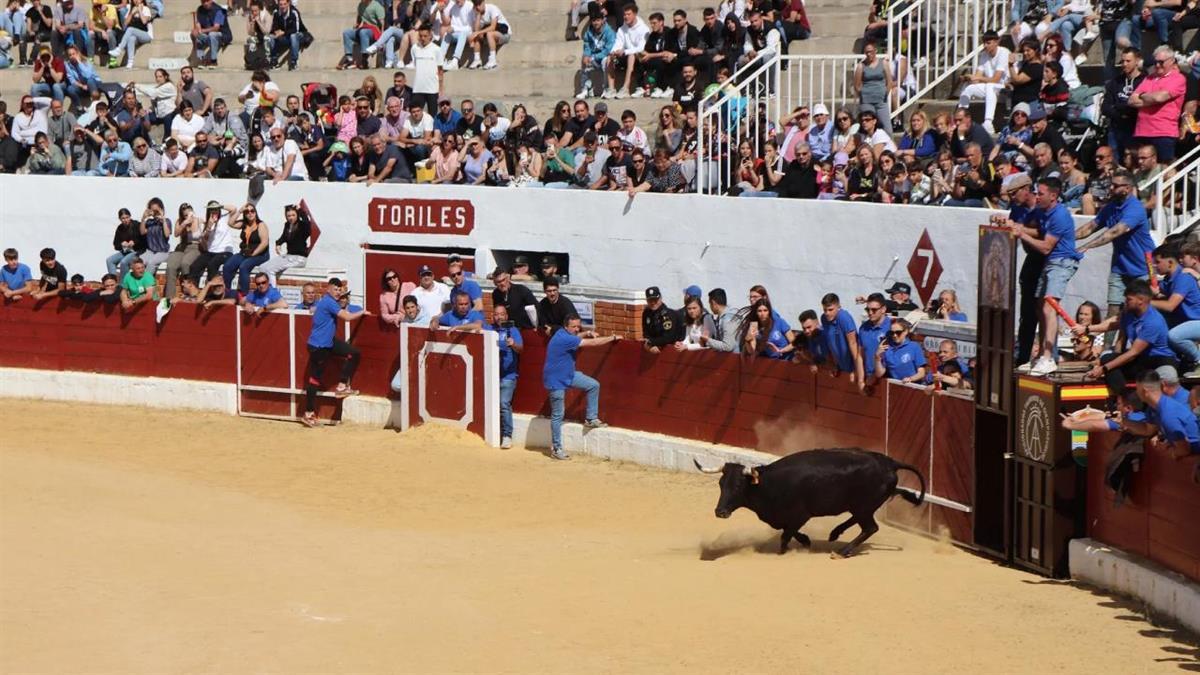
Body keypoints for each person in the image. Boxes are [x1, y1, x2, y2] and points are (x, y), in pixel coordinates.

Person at [1011, 177, 1081, 376]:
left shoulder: (1060, 216)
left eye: (1040, 193)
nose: (1037, 196)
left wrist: (1020, 234)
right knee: (1040, 308)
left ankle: (1049, 357)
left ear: (1053, 195)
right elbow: (1036, 230)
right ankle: (1042, 355)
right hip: (1050, 264)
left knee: (1049, 308)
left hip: (1062, 262)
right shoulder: (1042, 211)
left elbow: (1045, 246)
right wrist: (1012, 225)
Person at [1075, 168, 1152, 322]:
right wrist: (1067, 238)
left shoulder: (1135, 208)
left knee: (1139, 313)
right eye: (1111, 184)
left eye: (1116, 186)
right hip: (1120, 267)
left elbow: (1115, 232)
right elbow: (1091, 226)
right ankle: (1108, 346)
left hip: (1142, 268)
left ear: (1127, 189)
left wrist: (1087, 246)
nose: (1111, 188)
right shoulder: (1110, 208)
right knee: (1114, 312)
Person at [543, 314, 620, 460]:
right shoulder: (566, 338)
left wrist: (588, 332)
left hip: (568, 375)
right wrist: (613, 338)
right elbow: (593, 344)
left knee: (593, 385)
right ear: (566, 327)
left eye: (578, 326)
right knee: (558, 415)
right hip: (556, 380)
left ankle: (591, 418)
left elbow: (578, 335)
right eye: (574, 326)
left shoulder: (561, 332)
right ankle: (556, 448)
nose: (576, 329)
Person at [1080, 279, 1176, 397]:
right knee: (1108, 358)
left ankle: (1127, 399)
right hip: (1141, 359)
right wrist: (1087, 330)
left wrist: (1103, 369)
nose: (1126, 302)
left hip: (1157, 360)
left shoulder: (1153, 321)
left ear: (1141, 300)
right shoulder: (1129, 313)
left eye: (1129, 299)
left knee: (1109, 364)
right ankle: (1123, 396)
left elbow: (1133, 353)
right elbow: (1115, 329)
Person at [301, 278, 369, 428]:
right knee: (314, 380)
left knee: (353, 353)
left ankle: (341, 386)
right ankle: (308, 414)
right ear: (328, 289)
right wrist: (363, 312)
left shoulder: (325, 301)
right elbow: (347, 317)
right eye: (336, 289)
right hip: (319, 346)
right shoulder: (329, 302)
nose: (338, 292)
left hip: (327, 342)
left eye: (340, 290)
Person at [1125, 370, 1200, 458]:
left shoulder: (1168, 414)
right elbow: (1147, 430)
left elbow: (1184, 450)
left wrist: (1167, 451)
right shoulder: (1160, 407)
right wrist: (1122, 422)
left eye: (1137, 389)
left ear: (1144, 391)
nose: (1136, 392)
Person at [1150, 245, 1200, 374]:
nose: (1155, 266)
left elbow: (1170, 305)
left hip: (1197, 321)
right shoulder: (1169, 280)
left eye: (1158, 262)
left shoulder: (1183, 278)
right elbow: (1164, 296)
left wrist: (1147, 302)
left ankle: (1198, 361)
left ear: (1170, 262)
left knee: (1174, 336)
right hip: (1186, 322)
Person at [490, 303, 523, 449]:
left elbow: (521, 349)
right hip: (491, 375)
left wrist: (513, 343)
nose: (499, 317)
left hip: (508, 375)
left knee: (503, 404)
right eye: (496, 314)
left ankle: (507, 435)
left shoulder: (512, 330)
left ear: (506, 316)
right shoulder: (489, 329)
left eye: (501, 314)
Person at [820, 292, 864, 387]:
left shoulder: (844, 317)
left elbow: (853, 343)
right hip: (840, 366)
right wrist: (832, 364)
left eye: (830, 310)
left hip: (851, 366)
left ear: (838, 306)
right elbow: (829, 343)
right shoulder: (824, 318)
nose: (827, 313)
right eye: (825, 310)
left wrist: (856, 369)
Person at [874, 319, 927, 384]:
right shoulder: (887, 348)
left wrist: (910, 379)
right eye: (892, 333)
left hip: (913, 387)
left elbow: (921, 373)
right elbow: (879, 374)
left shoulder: (914, 347)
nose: (894, 335)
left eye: (898, 332)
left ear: (906, 332)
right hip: (896, 387)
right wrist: (877, 358)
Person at [641, 286, 683, 352]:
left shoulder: (667, 314)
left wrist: (652, 342)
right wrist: (648, 342)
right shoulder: (646, 313)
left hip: (669, 351)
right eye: (650, 300)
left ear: (660, 298)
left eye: (655, 300)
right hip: (652, 348)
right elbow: (645, 332)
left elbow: (669, 337)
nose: (653, 302)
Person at [703, 287, 740, 352]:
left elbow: (728, 346)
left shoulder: (727, 319)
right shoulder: (722, 317)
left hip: (733, 359)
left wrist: (707, 340)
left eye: (709, 303)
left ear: (713, 303)